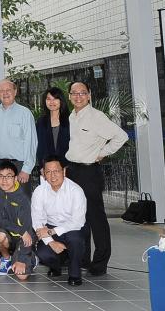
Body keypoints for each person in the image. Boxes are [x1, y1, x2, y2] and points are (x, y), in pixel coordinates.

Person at [65, 80, 127, 276]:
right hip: (73, 171)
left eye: (82, 93)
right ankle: (83, 259)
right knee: (78, 217)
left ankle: (99, 263)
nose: (78, 96)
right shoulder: (72, 116)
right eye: (74, 93)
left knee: (95, 218)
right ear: (69, 96)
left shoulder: (96, 117)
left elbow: (121, 136)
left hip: (89, 172)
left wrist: (102, 153)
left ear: (89, 94)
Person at [32, 155, 87, 286]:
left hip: (72, 228)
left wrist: (51, 232)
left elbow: (78, 221)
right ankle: (56, 266)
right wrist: (51, 243)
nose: (52, 175)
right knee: (43, 253)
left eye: (56, 171)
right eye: (48, 172)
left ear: (64, 171)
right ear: (43, 174)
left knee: (75, 240)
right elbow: (37, 221)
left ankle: (74, 273)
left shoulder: (76, 191)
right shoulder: (39, 191)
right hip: (49, 228)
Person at [0, 79, 39, 190]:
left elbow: (31, 142)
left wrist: (26, 169)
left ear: (15, 91)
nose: (5, 93)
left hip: (19, 167)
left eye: (8, 90)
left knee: (20, 203)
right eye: (1, 90)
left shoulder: (25, 113)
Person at [0, 160, 36, 280]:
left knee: (22, 276)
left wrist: (22, 258)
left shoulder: (23, 198)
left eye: (8, 176)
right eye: (0, 176)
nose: (4, 180)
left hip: (23, 238)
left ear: (15, 178)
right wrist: (20, 230)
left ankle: (32, 258)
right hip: (10, 234)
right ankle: (6, 259)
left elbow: (28, 230)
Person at [36, 86, 71, 164]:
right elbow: (39, 147)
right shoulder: (41, 122)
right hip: (47, 167)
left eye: (55, 98)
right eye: (48, 99)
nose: (51, 102)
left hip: (68, 167)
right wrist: (41, 166)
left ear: (61, 100)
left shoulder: (71, 120)